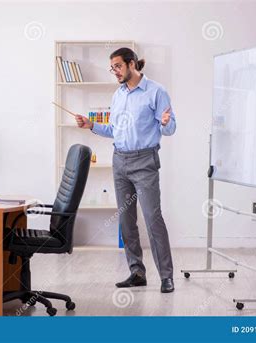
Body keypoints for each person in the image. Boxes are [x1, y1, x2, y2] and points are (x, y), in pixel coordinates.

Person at [75, 47, 176, 293]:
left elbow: (170, 128)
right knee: (126, 220)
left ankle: (166, 277)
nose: (115, 72)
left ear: (132, 64)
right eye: (112, 68)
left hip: (145, 162)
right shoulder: (118, 95)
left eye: (118, 66)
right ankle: (136, 272)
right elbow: (115, 130)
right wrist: (91, 125)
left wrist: (165, 122)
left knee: (153, 219)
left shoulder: (156, 91)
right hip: (119, 160)